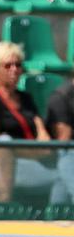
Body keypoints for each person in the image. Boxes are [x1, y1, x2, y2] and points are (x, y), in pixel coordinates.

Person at [0, 41, 59, 204]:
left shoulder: (26, 97)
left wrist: (39, 148)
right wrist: (36, 150)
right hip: (8, 162)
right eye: (8, 65)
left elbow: (42, 134)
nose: (14, 70)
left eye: (18, 65)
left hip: (34, 158)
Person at [45, 72, 74, 204]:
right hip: (63, 153)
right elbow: (63, 139)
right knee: (69, 157)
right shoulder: (61, 96)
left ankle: (56, 213)